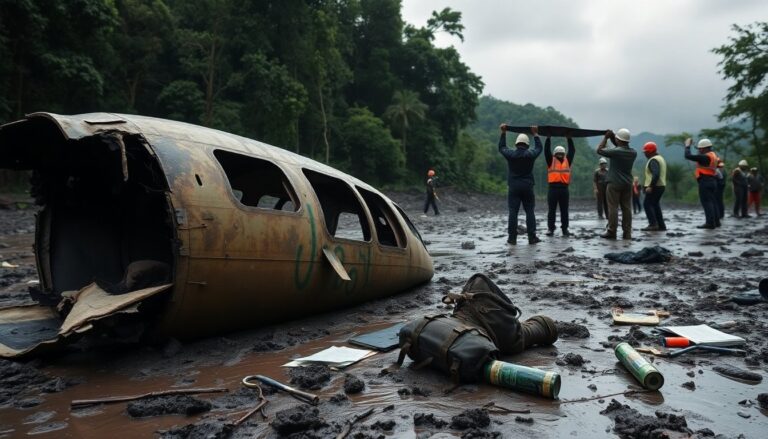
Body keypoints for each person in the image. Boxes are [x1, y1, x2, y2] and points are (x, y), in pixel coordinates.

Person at [499, 124, 543, 245]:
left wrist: (503, 132)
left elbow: (501, 147)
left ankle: (512, 239)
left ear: (516, 144)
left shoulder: (511, 155)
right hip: (528, 186)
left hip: (514, 187)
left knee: (513, 211)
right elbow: (539, 148)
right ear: (527, 145)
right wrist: (535, 134)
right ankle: (532, 237)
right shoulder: (530, 155)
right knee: (530, 211)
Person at [596, 128, 637, 240]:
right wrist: (614, 137)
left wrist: (606, 137)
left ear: (618, 140)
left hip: (614, 183)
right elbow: (620, 145)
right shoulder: (633, 152)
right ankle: (627, 233)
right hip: (627, 183)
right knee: (627, 208)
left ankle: (611, 231)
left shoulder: (616, 152)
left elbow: (599, 150)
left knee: (613, 207)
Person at [684, 138, 720, 228]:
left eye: (701, 148)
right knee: (712, 202)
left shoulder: (705, 157)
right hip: (712, 181)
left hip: (705, 181)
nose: (699, 150)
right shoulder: (713, 155)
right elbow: (699, 157)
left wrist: (687, 146)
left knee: (707, 202)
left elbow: (688, 156)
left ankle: (710, 223)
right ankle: (716, 222)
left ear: (706, 148)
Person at [544, 137, 575, 236]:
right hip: (553, 189)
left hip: (564, 189)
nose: (560, 155)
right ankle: (550, 229)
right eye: (558, 153)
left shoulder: (567, 161)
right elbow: (546, 151)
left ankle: (565, 229)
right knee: (551, 210)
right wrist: (548, 138)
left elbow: (572, 151)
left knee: (564, 211)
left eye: (562, 153)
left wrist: (569, 138)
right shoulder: (550, 160)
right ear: (555, 154)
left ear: (564, 154)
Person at [640, 142, 667, 231]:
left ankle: (653, 224)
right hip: (661, 185)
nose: (645, 154)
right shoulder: (660, 158)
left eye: (646, 152)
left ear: (650, 151)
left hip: (655, 186)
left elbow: (656, 174)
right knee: (655, 205)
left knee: (647, 204)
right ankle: (661, 225)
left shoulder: (653, 160)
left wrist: (650, 186)